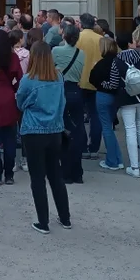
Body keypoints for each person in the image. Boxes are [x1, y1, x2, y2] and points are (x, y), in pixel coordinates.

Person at [15, 40, 70, 234]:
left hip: (33, 130)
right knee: (56, 174)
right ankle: (65, 218)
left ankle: (43, 221)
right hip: (55, 129)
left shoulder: (29, 79)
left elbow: (20, 102)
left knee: (37, 178)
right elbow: (63, 102)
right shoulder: (58, 77)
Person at [52, 23, 86, 183]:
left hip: (62, 91)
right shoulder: (82, 54)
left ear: (64, 35)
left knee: (63, 131)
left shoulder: (56, 51)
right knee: (78, 130)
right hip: (77, 92)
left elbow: (52, 70)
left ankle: (65, 171)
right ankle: (77, 172)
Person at [117, 26, 140, 178]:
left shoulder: (117, 59)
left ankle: (134, 166)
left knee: (130, 130)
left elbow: (114, 80)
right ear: (131, 42)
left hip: (127, 96)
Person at [0, 29, 22, 186]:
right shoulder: (12, 57)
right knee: (9, 139)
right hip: (8, 96)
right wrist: (13, 90)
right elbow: (19, 78)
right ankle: (9, 174)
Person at [88, 35, 122, 171]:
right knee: (110, 128)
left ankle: (112, 161)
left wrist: (101, 83)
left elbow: (92, 79)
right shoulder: (118, 61)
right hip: (115, 97)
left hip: (103, 95)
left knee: (107, 128)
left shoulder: (102, 63)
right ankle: (117, 157)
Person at [75, 13, 102, 161]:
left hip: (79, 81)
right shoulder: (101, 40)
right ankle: (95, 148)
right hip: (97, 82)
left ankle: (84, 146)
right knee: (95, 116)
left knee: (79, 116)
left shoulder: (77, 38)